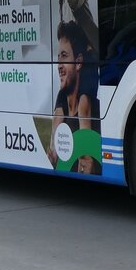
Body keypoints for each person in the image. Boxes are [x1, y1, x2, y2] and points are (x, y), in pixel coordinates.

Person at [46, 21, 100, 164]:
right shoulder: (62, 98)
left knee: (83, 104)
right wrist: (52, 153)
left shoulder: (86, 96)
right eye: (58, 57)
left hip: (88, 62)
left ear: (78, 62)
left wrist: (86, 157)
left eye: (63, 55)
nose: (58, 65)